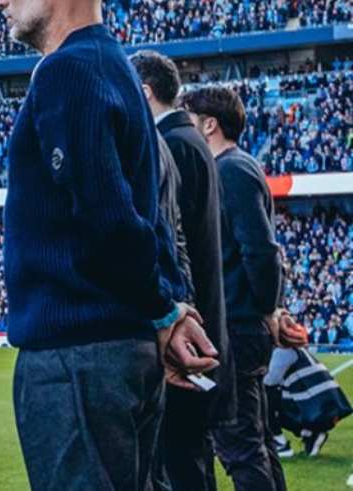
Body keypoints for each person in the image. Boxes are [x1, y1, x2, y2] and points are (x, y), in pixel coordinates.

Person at [0, 0, 219, 491]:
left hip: (78, 361)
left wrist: (165, 309)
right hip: (120, 354)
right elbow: (148, 215)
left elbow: (108, 219)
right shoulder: (116, 68)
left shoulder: (65, 72)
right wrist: (164, 308)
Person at [131, 50, 235, 491]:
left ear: (144, 91)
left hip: (186, 332)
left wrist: (174, 320)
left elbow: (174, 245)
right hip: (201, 322)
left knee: (182, 464)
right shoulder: (190, 141)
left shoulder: (169, 144)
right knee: (192, 461)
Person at [181, 85, 292, 491]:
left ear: (209, 124)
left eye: (188, 117)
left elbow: (261, 251)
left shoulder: (230, 170)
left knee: (237, 443)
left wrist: (267, 309)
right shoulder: (237, 167)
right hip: (242, 325)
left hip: (238, 328)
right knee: (254, 442)